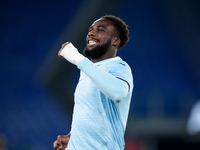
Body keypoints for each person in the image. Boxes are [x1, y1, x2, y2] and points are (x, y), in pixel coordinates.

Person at [53, 15, 133, 150]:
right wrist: (74, 137)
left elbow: (118, 92)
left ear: (115, 40)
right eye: (90, 30)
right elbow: (92, 114)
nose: (91, 33)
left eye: (100, 30)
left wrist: (77, 58)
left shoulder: (119, 66)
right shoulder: (87, 71)